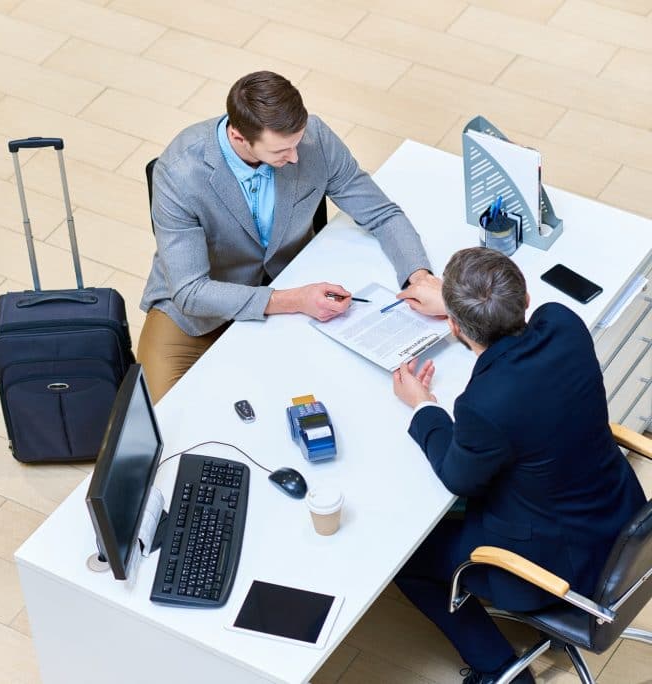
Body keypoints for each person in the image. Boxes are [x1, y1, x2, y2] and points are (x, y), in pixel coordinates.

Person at [391, 247, 646, 684]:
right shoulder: (564, 324)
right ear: (525, 298)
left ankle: (501, 671)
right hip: (621, 517)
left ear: (454, 325)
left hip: (559, 568)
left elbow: (458, 476)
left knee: (409, 559)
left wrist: (423, 407)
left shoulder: (483, 405)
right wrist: (457, 304)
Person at [137, 70, 436, 403]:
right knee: (160, 417)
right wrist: (292, 300)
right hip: (196, 313)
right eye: (282, 151)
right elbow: (190, 291)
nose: (295, 157)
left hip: (292, 280)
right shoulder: (179, 173)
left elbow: (381, 213)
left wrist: (418, 276)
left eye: (297, 143)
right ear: (238, 137)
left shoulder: (313, 140)